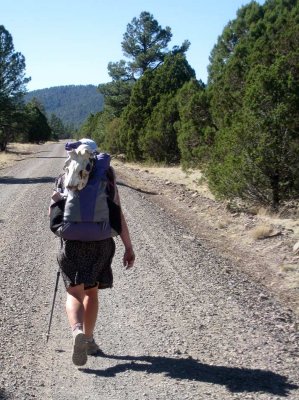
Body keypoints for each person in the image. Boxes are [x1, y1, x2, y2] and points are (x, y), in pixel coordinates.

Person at [50, 138, 135, 366]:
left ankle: (77, 331)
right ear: (97, 155)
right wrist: (128, 246)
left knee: (74, 293)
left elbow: (54, 211)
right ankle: (89, 339)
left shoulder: (67, 171)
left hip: (72, 242)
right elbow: (118, 214)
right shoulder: (106, 175)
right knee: (91, 293)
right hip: (101, 241)